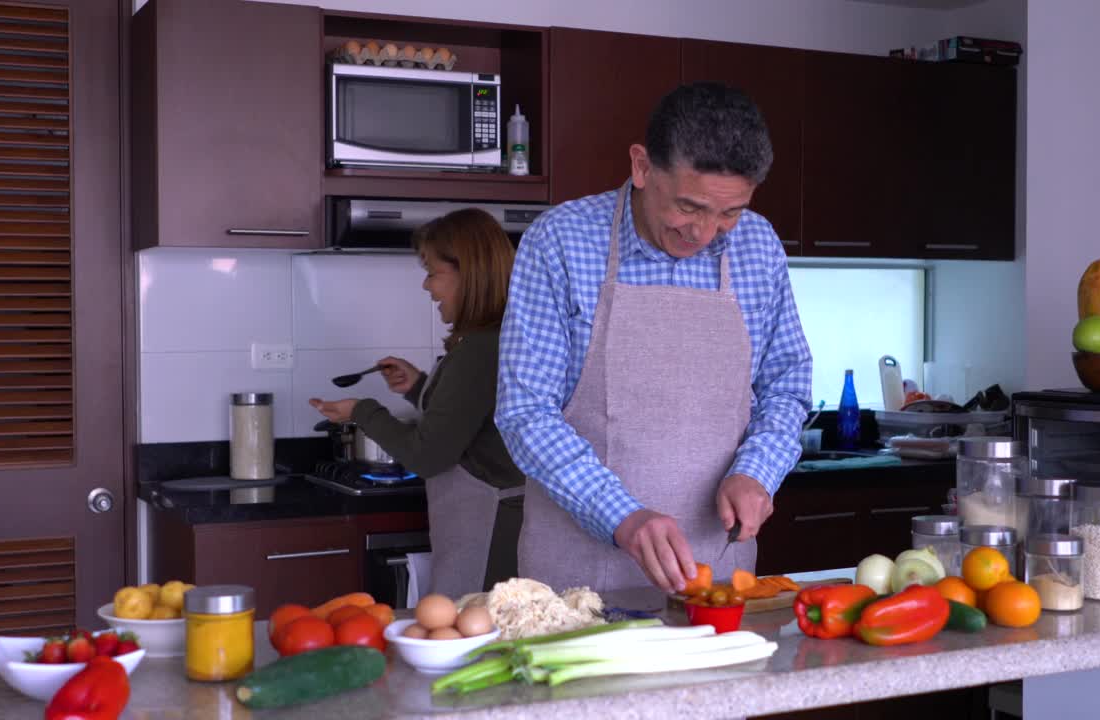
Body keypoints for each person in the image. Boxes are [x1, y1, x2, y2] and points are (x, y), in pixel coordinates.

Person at [495, 82, 813, 594]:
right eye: (689, 207)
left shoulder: (759, 245)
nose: (705, 233)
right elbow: (524, 411)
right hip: (576, 582)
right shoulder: (560, 240)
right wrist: (623, 517)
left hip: (720, 574)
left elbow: (786, 386)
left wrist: (758, 471)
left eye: (729, 212)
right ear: (642, 167)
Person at [310, 208, 525, 599]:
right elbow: (473, 419)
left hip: (489, 532)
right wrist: (419, 387)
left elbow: (427, 456)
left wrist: (362, 411)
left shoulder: (479, 349)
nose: (427, 286)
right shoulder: (493, 339)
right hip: (491, 523)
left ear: (468, 274)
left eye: (432, 273)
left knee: (474, 640)